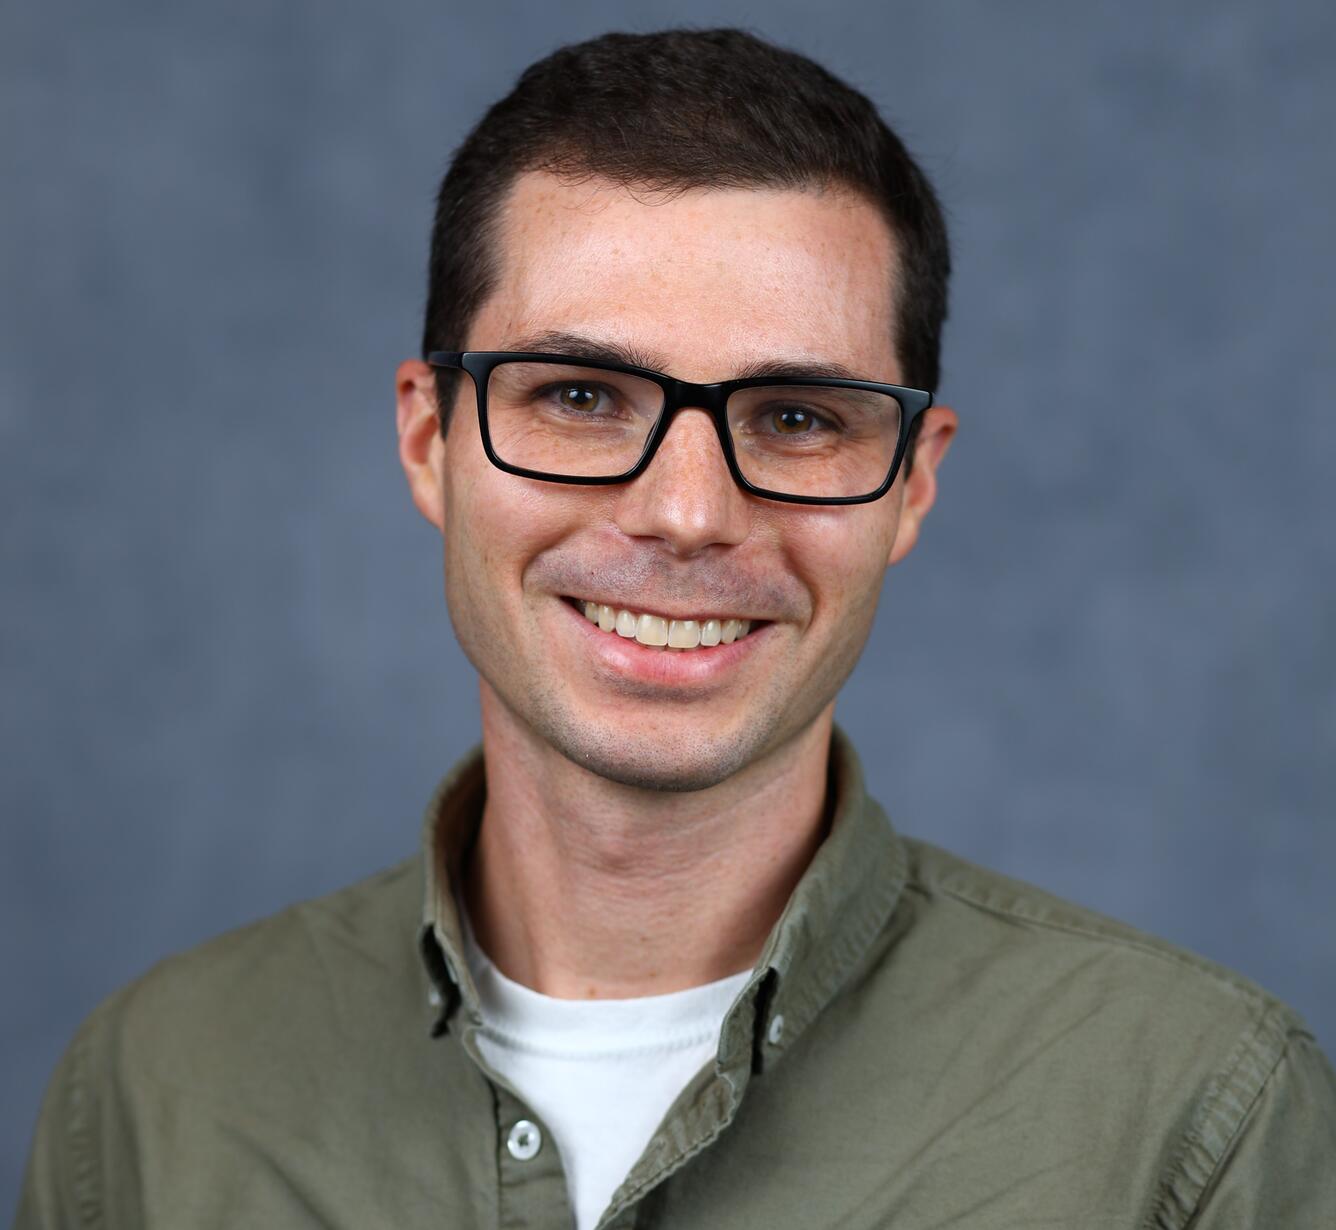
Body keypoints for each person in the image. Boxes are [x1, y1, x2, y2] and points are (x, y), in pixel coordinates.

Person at [16, 26, 1336, 1230]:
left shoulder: (1187, 1122)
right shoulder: (155, 1094)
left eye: (799, 417)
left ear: (913, 484)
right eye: (581, 396)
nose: (688, 515)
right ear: (429, 440)